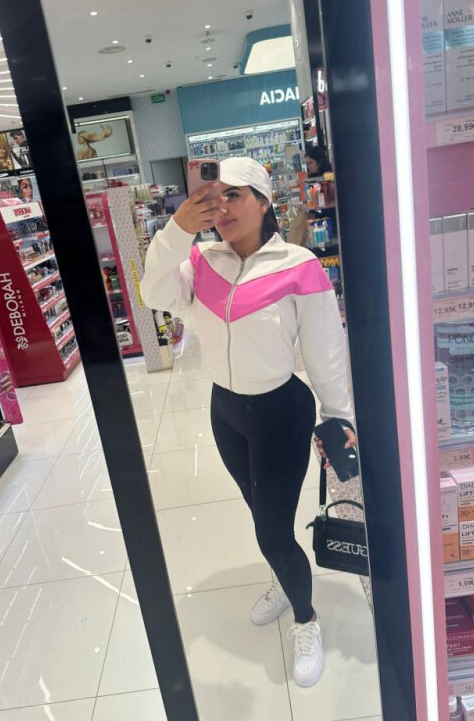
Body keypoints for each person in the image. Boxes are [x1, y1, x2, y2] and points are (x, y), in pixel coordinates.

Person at [141, 157, 355, 688]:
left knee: (271, 533)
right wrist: (176, 231)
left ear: (263, 201)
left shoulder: (299, 265)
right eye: (213, 198)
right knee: (263, 515)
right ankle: (286, 578)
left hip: (281, 412)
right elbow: (153, 294)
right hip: (227, 412)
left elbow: (326, 350)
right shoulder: (200, 262)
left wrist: (338, 416)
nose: (222, 208)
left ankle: (306, 618)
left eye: (234, 195)